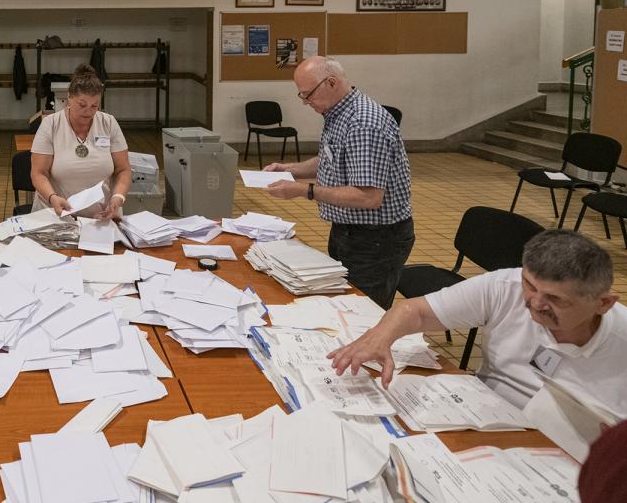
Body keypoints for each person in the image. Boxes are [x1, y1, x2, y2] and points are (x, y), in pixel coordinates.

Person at [327, 230, 626, 416]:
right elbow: (415, 311)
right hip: (484, 414)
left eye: (555, 299)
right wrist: (380, 337)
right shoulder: (505, 285)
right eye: (530, 286)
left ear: (603, 304)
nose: (535, 303)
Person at [264, 56, 414, 309]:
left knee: (363, 313)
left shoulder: (363, 123)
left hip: (375, 241)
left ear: (331, 83)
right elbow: (331, 159)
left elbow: (367, 197)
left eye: (307, 95)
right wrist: (290, 170)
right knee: (343, 305)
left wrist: (304, 191)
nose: (305, 103)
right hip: (349, 232)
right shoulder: (338, 114)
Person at [30, 63, 131, 219]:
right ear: (69, 98)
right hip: (56, 215)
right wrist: (52, 197)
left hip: (100, 218)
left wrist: (118, 197)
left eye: (94, 106)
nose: (88, 111)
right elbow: (38, 173)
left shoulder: (108, 123)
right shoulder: (51, 125)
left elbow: (123, 170)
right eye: (82, 105)